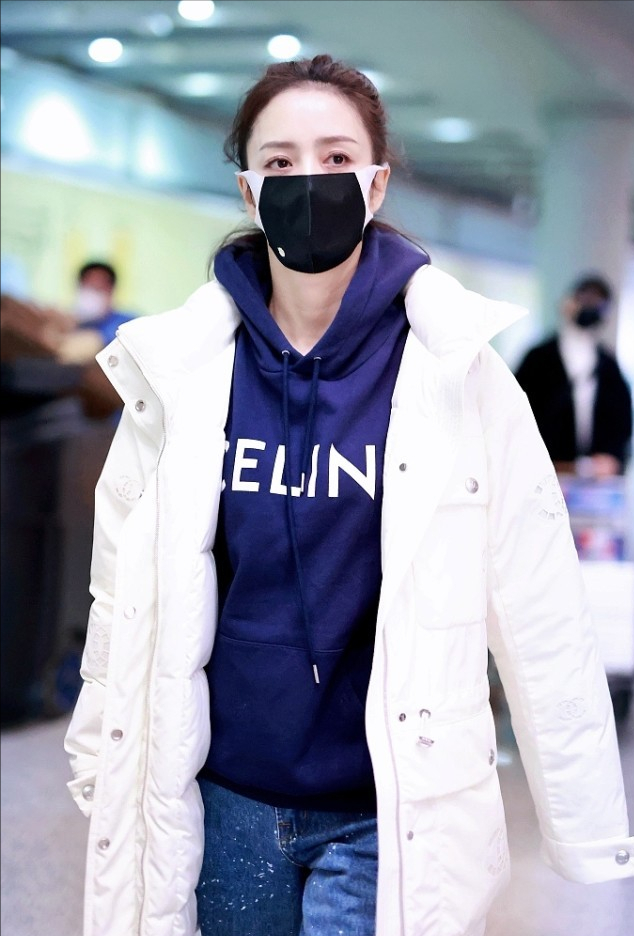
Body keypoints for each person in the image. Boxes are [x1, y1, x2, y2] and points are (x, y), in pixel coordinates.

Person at [64, 54, 633, 936]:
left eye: (336, 157)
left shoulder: (457, 373)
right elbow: (121, 591)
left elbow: (540, 604)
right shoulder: (178, 372)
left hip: (386, 806)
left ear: (376, 183)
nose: (309, 180)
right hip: (224, 797)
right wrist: (97, 759)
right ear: (249, 190)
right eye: (280, 161)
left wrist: (587, 822)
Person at [514, 274, 632, 478]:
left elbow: (621, 423)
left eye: (598, 303)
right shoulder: (538, 358)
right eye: (584, 299)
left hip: (593, 478)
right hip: (543, 471)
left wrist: (611, 458)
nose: (590, 307)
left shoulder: (608, 365)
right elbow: (515, 411)